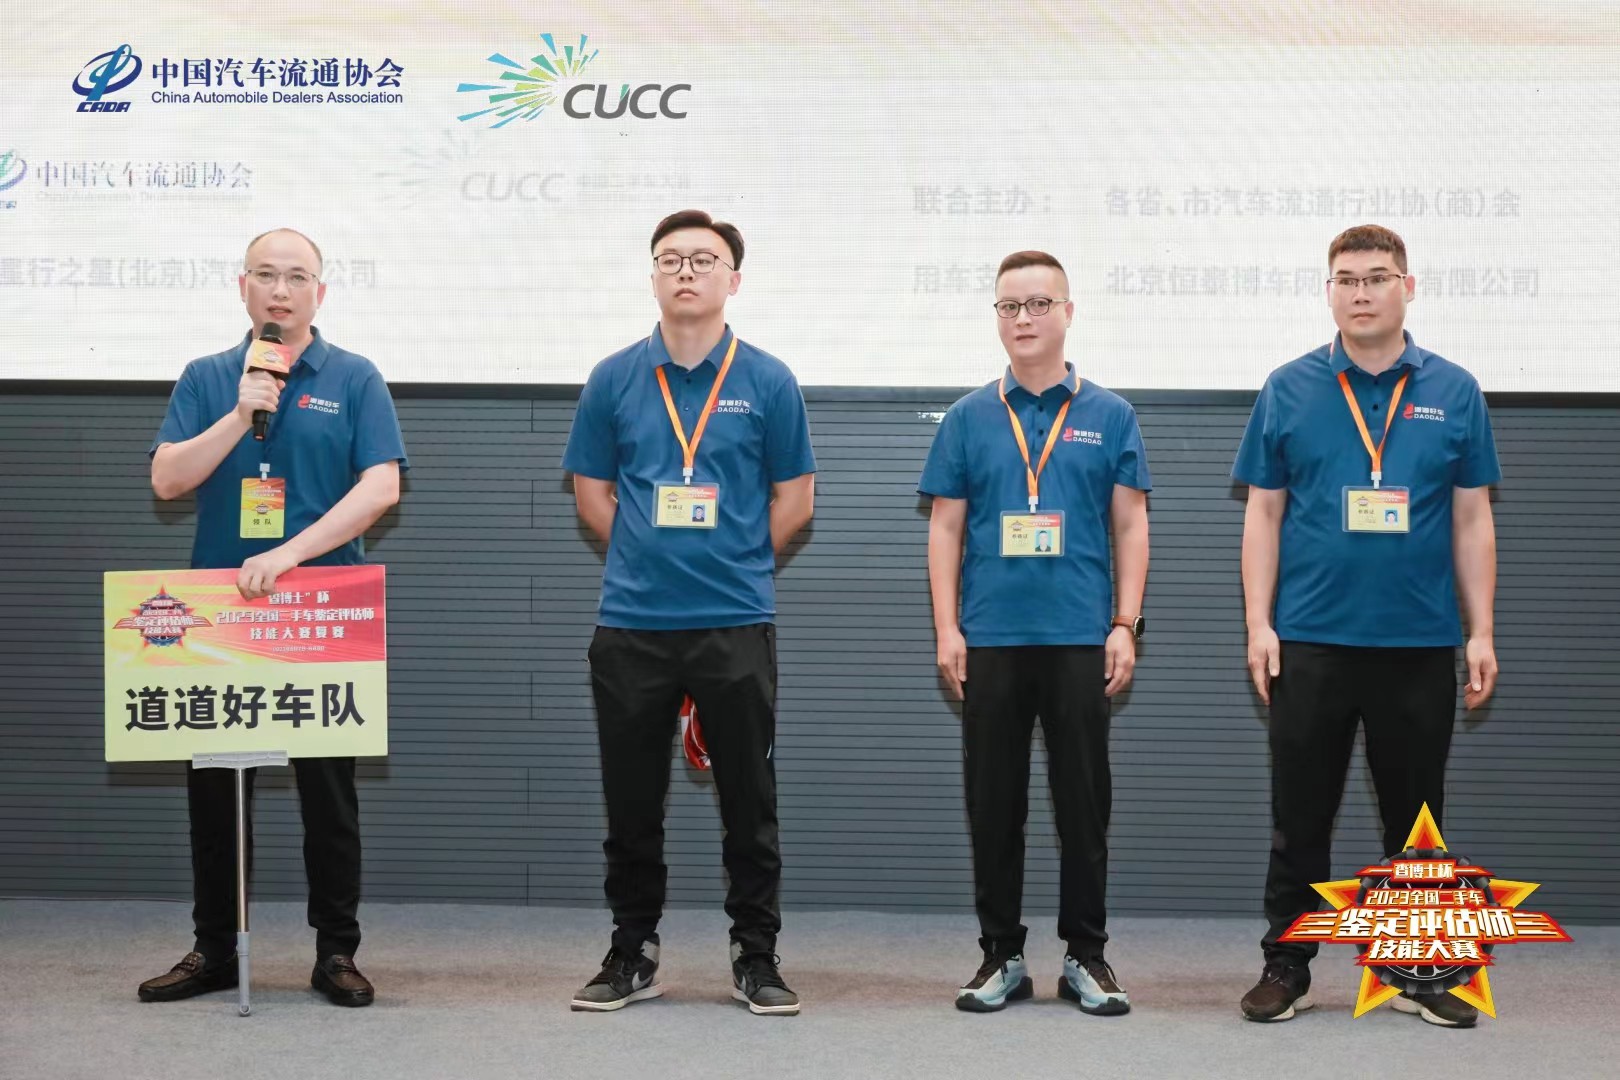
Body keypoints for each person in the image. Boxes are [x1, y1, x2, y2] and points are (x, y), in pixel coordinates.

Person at [1234, 225, 1500, 1027]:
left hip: (1417, 643)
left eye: (1377, 277)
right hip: (1310, 642)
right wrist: (1259, 623)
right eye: (1346, 279)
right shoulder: (1288, 387)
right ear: (1329, 292)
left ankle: (1421, 971)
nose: (1361, 292)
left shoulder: (1456, 390)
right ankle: (1287, 965)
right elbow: (1263, 515)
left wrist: (1480, 631)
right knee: (1300, 818)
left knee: (1416, 822)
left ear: (1407, 288)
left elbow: (1472, 520)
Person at [139, 228, 407, 1007]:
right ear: (242, 286)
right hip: (220, 614)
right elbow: (167, 479)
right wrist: (239, 413)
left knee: (329, 794)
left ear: (320, 292)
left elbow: (381, 486)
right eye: (266, 275)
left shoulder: (354, 377)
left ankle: (336, 951)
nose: (280, 290)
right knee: (216, 793)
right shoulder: (209, 376)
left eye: (296, 277)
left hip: (322, 609)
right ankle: (215, 947)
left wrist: (290, 555)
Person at [562, 210, 816, 1015]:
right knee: (632, 802)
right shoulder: (613, 377)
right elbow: (593, 494)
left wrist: (734, 563)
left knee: (749, 801)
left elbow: (796, 499)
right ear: (653, 277)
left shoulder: (768, 380)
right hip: (632, 624)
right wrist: (647, 558)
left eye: (703, 260)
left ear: (732, 279)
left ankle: (756, 954)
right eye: (670, 259)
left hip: (734, 620)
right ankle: (632, 949)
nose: (685, 271)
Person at [919, 250, 1150, 1014]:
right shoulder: (967, 417)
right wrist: (948, 628)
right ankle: (1001, 955)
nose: (1024, 318)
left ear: (1068, 312)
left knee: (1084, 805)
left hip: (1080, 638)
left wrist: (1125, 623)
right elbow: (945, 528)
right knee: (995, 806)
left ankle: (1087, 956)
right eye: (1009, 306)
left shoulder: (1110, 415)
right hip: (991, 639)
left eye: (1039, 303)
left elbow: (1130, 524)